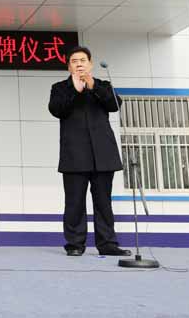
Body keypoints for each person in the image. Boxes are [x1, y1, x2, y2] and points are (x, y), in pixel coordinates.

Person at [48, 46, 131, 257]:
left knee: (103, 202)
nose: (79, 64)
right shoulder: (60, 88)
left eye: (83, 60)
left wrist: (92, 85)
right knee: (74, 202)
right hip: (74, 155)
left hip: (103, 155)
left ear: (90, 64)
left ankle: (107, 244)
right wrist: (75, 91)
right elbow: (56, 110)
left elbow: (114, 105)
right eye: (74, 61)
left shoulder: (102, 85)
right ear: (69, 66)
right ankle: (75, 244)